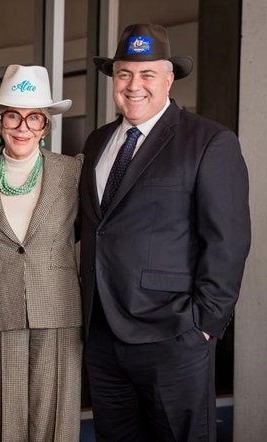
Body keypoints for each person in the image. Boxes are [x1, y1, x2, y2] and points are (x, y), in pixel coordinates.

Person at [79, 23, 251, 441]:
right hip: (102, 335)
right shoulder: (98, 141)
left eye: (147, 74)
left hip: (173, 335)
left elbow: (227, 241)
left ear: (169, 78)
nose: (134, 85)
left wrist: (204, 326)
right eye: (124, 74)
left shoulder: (209, 141)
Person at [0, 64, 83, 442]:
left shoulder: (72, 172)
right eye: (13, 116)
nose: (23, 127)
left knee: (56, 422)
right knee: (7, 421)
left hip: (59, 308)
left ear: (46, 128)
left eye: (35, 119)